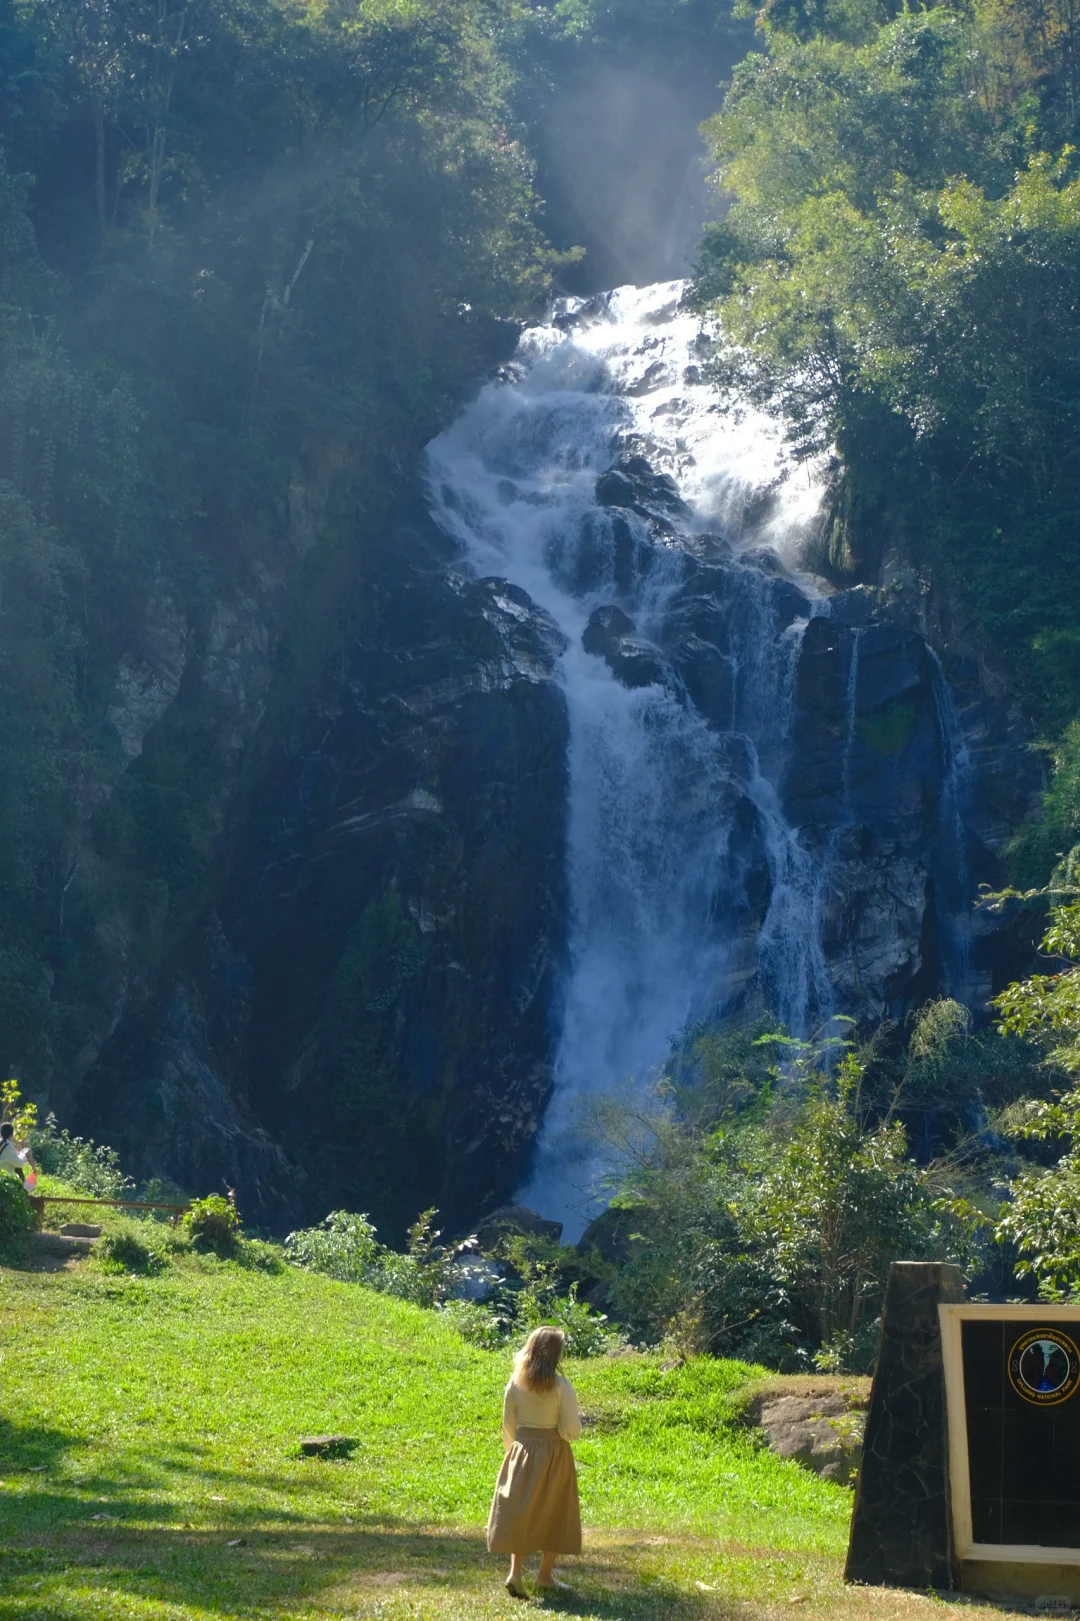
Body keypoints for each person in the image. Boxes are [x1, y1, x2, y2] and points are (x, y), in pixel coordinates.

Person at [486, 1325, 583, 1599]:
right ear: (556, 1355)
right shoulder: (562, 1386)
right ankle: (544, 1576)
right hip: (553, 1452)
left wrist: (512, 1454)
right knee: (556, 1510)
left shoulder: (515, 1383)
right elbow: (570, 1430)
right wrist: (564, 1433)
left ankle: (515, 1573)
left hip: (521, 1452)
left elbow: (508, 1425)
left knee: (522, 1511)